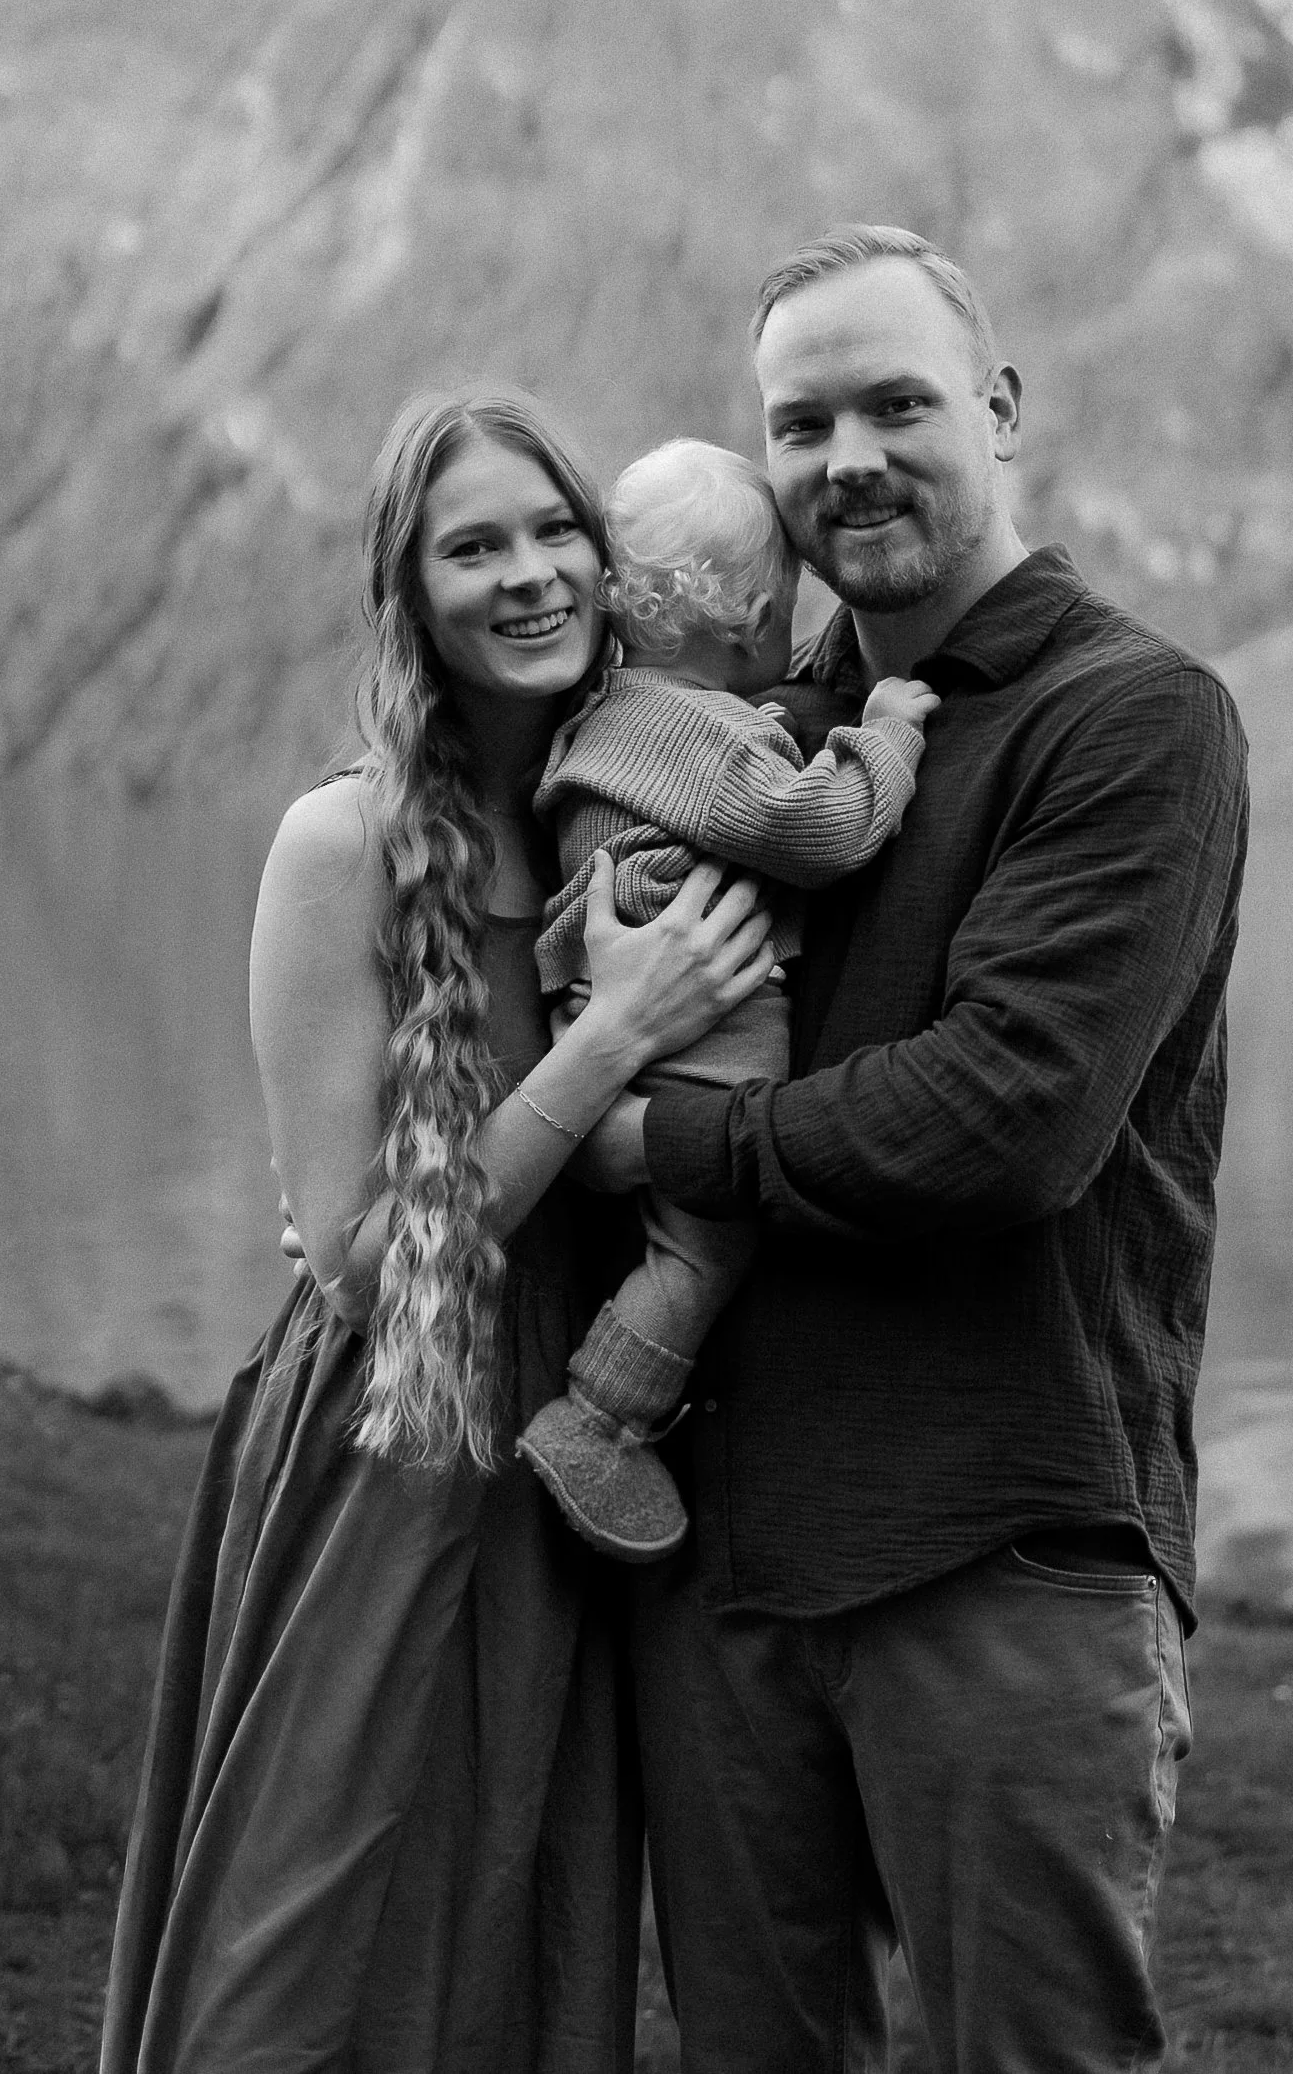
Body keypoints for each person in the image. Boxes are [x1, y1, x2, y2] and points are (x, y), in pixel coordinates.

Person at [603, 226, 1251, 2074]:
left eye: (896, 401)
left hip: (1007, 1549)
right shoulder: (754, 740)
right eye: (799, 421)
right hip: (727, 1563)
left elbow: (1003, 1120)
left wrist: (654, 1129)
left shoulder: (1132, 718)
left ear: (999, 409)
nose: (846, 456)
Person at [98, 386, 777, 2074]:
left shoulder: (622, 802)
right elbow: (349, 1252)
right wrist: (613, 1036)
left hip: (565, 1431)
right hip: (387, 1436)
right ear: (407, 592)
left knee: (513, 1920)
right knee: (314, 1931)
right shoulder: (340, 842)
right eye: (476, 544)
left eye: (561, 533)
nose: (533, 572)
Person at [515, 437, 938, 1562]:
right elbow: (818, 828)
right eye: (784, 605)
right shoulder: (699, 740)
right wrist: (886, 732)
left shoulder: (618, 712)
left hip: (627, 1015)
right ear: (749, 612)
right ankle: (600, 1419)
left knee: (667, 1234)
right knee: (705, 1251)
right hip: (702, 1032)